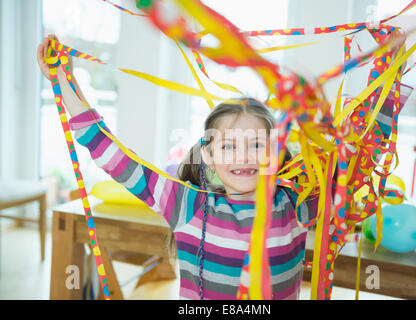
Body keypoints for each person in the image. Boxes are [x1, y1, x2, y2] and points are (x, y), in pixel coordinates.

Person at [36, 35, 320, 300]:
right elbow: (113, 155)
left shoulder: (296, 204)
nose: (244, 157)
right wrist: (64, 79)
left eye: (257, 144)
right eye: (229, 146)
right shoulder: (189, 205)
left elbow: (350, 176)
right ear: (208, 156)